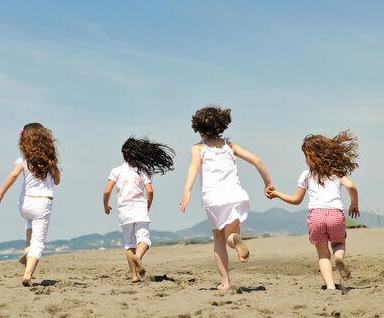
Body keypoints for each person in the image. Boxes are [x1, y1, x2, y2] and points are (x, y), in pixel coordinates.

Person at [179, 106, 274, 290]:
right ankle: (236, 241)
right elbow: (257, 161)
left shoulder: (198, 148)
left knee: (218, 239)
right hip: (235, 195)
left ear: (198, 127)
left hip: (213, 197)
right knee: (231, 235)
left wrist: (187, 190)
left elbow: (194, 168)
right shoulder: (231, 146)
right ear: (221, 125)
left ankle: (225, 282)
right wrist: (267, 183)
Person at [267, 131, 360, 290]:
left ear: (312, 156)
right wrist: (354, 204)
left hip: (316, 216)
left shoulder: (306, 175)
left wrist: (277, 194)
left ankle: (330, 286)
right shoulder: (336, 172)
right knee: (338, 243)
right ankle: (338, 257)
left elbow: (296, 200)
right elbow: (351, 186)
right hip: (335, 215)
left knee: (323, 254)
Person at [0, 123, 61, 287]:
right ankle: (27, 275)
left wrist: (0, 193)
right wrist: (54, 167)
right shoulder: (49, 163)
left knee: (29, 221)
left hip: (25, 205)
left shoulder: (22, 160)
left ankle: (26, 248)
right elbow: (57, 181)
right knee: (38, 243)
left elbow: (13, 175)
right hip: (42, 203)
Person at [103, 137, 175, 283]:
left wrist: (106, 205)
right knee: (144, 239)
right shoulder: (142, 171)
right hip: (139, 209)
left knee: (129, 244)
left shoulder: (116, 171)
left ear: (124, 154)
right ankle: (139, 256)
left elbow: (106, 191)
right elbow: (150, 191)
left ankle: (134, 276)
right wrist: (148, 205)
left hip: (124, 212)